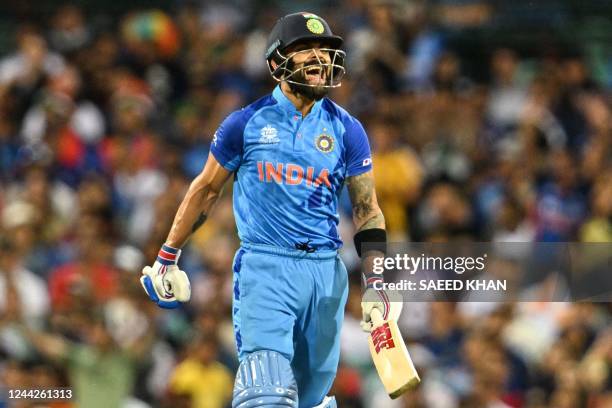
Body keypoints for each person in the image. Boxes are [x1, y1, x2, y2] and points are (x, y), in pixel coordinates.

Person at [140, 12, 401, 408]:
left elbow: (367, 210)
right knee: (267, 394)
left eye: (326, 50)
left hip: (327, 276)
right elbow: (207, 189)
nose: (320, 59)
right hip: (266, 268)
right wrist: (167, 256)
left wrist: (377, 282)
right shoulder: (244, 124)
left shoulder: (348, 129)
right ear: (277, 63)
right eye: (306, 50)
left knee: (312, 399)